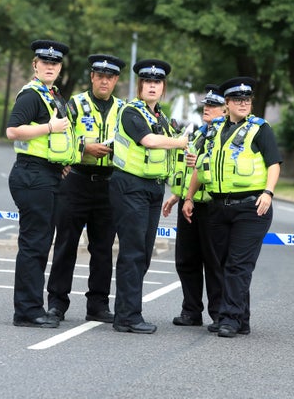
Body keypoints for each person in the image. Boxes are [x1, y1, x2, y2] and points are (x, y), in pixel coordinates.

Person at [182, 76, 282, 338]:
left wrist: (269, 192)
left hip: (251, 207)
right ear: (226, 103)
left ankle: (228, 318)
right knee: (224, 264)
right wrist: (190, 197)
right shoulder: (213, 130)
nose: (243, 103)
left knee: (238, 265)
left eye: (247, 99)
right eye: (238, 99)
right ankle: (241, 319)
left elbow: (274, 163)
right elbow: (200, 165)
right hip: (218, 207)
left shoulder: (260, 129)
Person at [109, 59, 189, 334]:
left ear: (163, 88)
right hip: (130, 186)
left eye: (157, 83)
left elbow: (168, 151)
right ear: (140, 86)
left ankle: (127, 311)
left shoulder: (161, 117)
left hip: (152, 188)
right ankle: (128, 317)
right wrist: (180, 142)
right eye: (147, 82)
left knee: (142, 253)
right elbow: (148, 141)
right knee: (132, 252)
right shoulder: (132, 112)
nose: (152, 86)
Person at [47, 54, 126, 324]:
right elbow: (60, 134)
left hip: (109, 184)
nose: (104, 81)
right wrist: (83, 148)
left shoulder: (124, 108)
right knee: (66, 244)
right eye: (100, 76)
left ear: (116, 80)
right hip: (77, 180)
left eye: (110, 77)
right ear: (92, 77)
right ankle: (57, 303)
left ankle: (98, 305)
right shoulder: (76, 104)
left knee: (103, 248)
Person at [6, 39, 79, 328]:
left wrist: (61, 163)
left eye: (55, 63)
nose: (50, 67)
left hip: (46, 174)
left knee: (39, 243)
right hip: (32, 175)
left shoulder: (54, 95)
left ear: (60, 68)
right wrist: (49, 126)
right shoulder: (31, 95)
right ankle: (27, 311)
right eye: (45, 62)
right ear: (35, 65)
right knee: (34, 245)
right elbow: (13, 130)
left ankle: (31, 307)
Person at [162, 84, 226, 328]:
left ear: (225, 109)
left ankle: (220, 313)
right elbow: (192, 170)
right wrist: (178, 196)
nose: (207, 109)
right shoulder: (201, 133)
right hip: (190, 204)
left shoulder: (226, 134)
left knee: (213, 261)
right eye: (206, 105)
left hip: (212, 206)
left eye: (213, 105)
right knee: (186, 260)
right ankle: (191, 310)